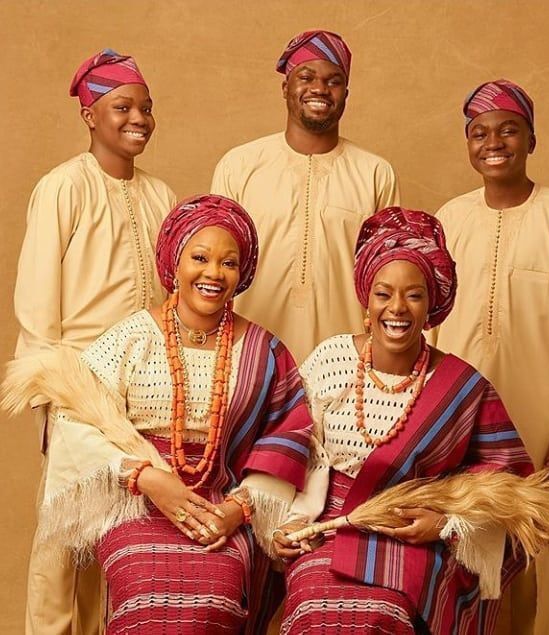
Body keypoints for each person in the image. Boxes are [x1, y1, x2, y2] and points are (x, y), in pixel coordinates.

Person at [4, 195, 313, 634]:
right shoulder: (131, 338)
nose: (213, 273)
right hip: (137, 503)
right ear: (175, 262)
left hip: (218, 505)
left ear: (242, 273)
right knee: (146, 593)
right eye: (200, 258)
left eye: (228, 263)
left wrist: (238, 509)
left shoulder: (265, 350)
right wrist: (146, 477)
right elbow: (72, 422)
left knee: (218, 592)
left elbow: (289, 434)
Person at [272, 208, 538, 634]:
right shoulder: (329, 359)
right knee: (314, 610)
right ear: (367, 299)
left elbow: (512, 491)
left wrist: (445, 526)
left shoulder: (464, 387)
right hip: (327, 525)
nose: (397, 308)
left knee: (384, 614)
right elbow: (288, 450)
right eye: (383, 293)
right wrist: (287, 524)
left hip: (414, 533)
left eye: (413, 295)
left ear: (431, 305)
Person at [428, 80, 549, 634]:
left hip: (540, 416)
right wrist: (425, 415)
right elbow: (431, 325)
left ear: (532, 138)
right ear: (467, 145)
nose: (493, 142)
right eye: (479, 133)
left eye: (508, 129)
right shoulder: (450, 218)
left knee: (532, 552)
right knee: (460, 547)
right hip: (459, 415)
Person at [14, 48, 176, 635]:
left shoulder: (161, 195)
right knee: (64, 533)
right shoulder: (62, 187)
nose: (138, 118)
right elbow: (36, 304)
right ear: (90, 115)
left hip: (145, 385)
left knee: (123, 526)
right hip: (77, 381)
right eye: (122, 107)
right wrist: (52, 396)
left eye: (146, 108)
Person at [211, 29, 400, 363]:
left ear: (346, 93)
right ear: (286, 88)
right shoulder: (239, 166)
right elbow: (214, 271)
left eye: (333, 81)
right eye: (306, 77)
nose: (319, 89)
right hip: (250, 361)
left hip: (348, 366)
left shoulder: (375, 174)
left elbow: (391, 279)